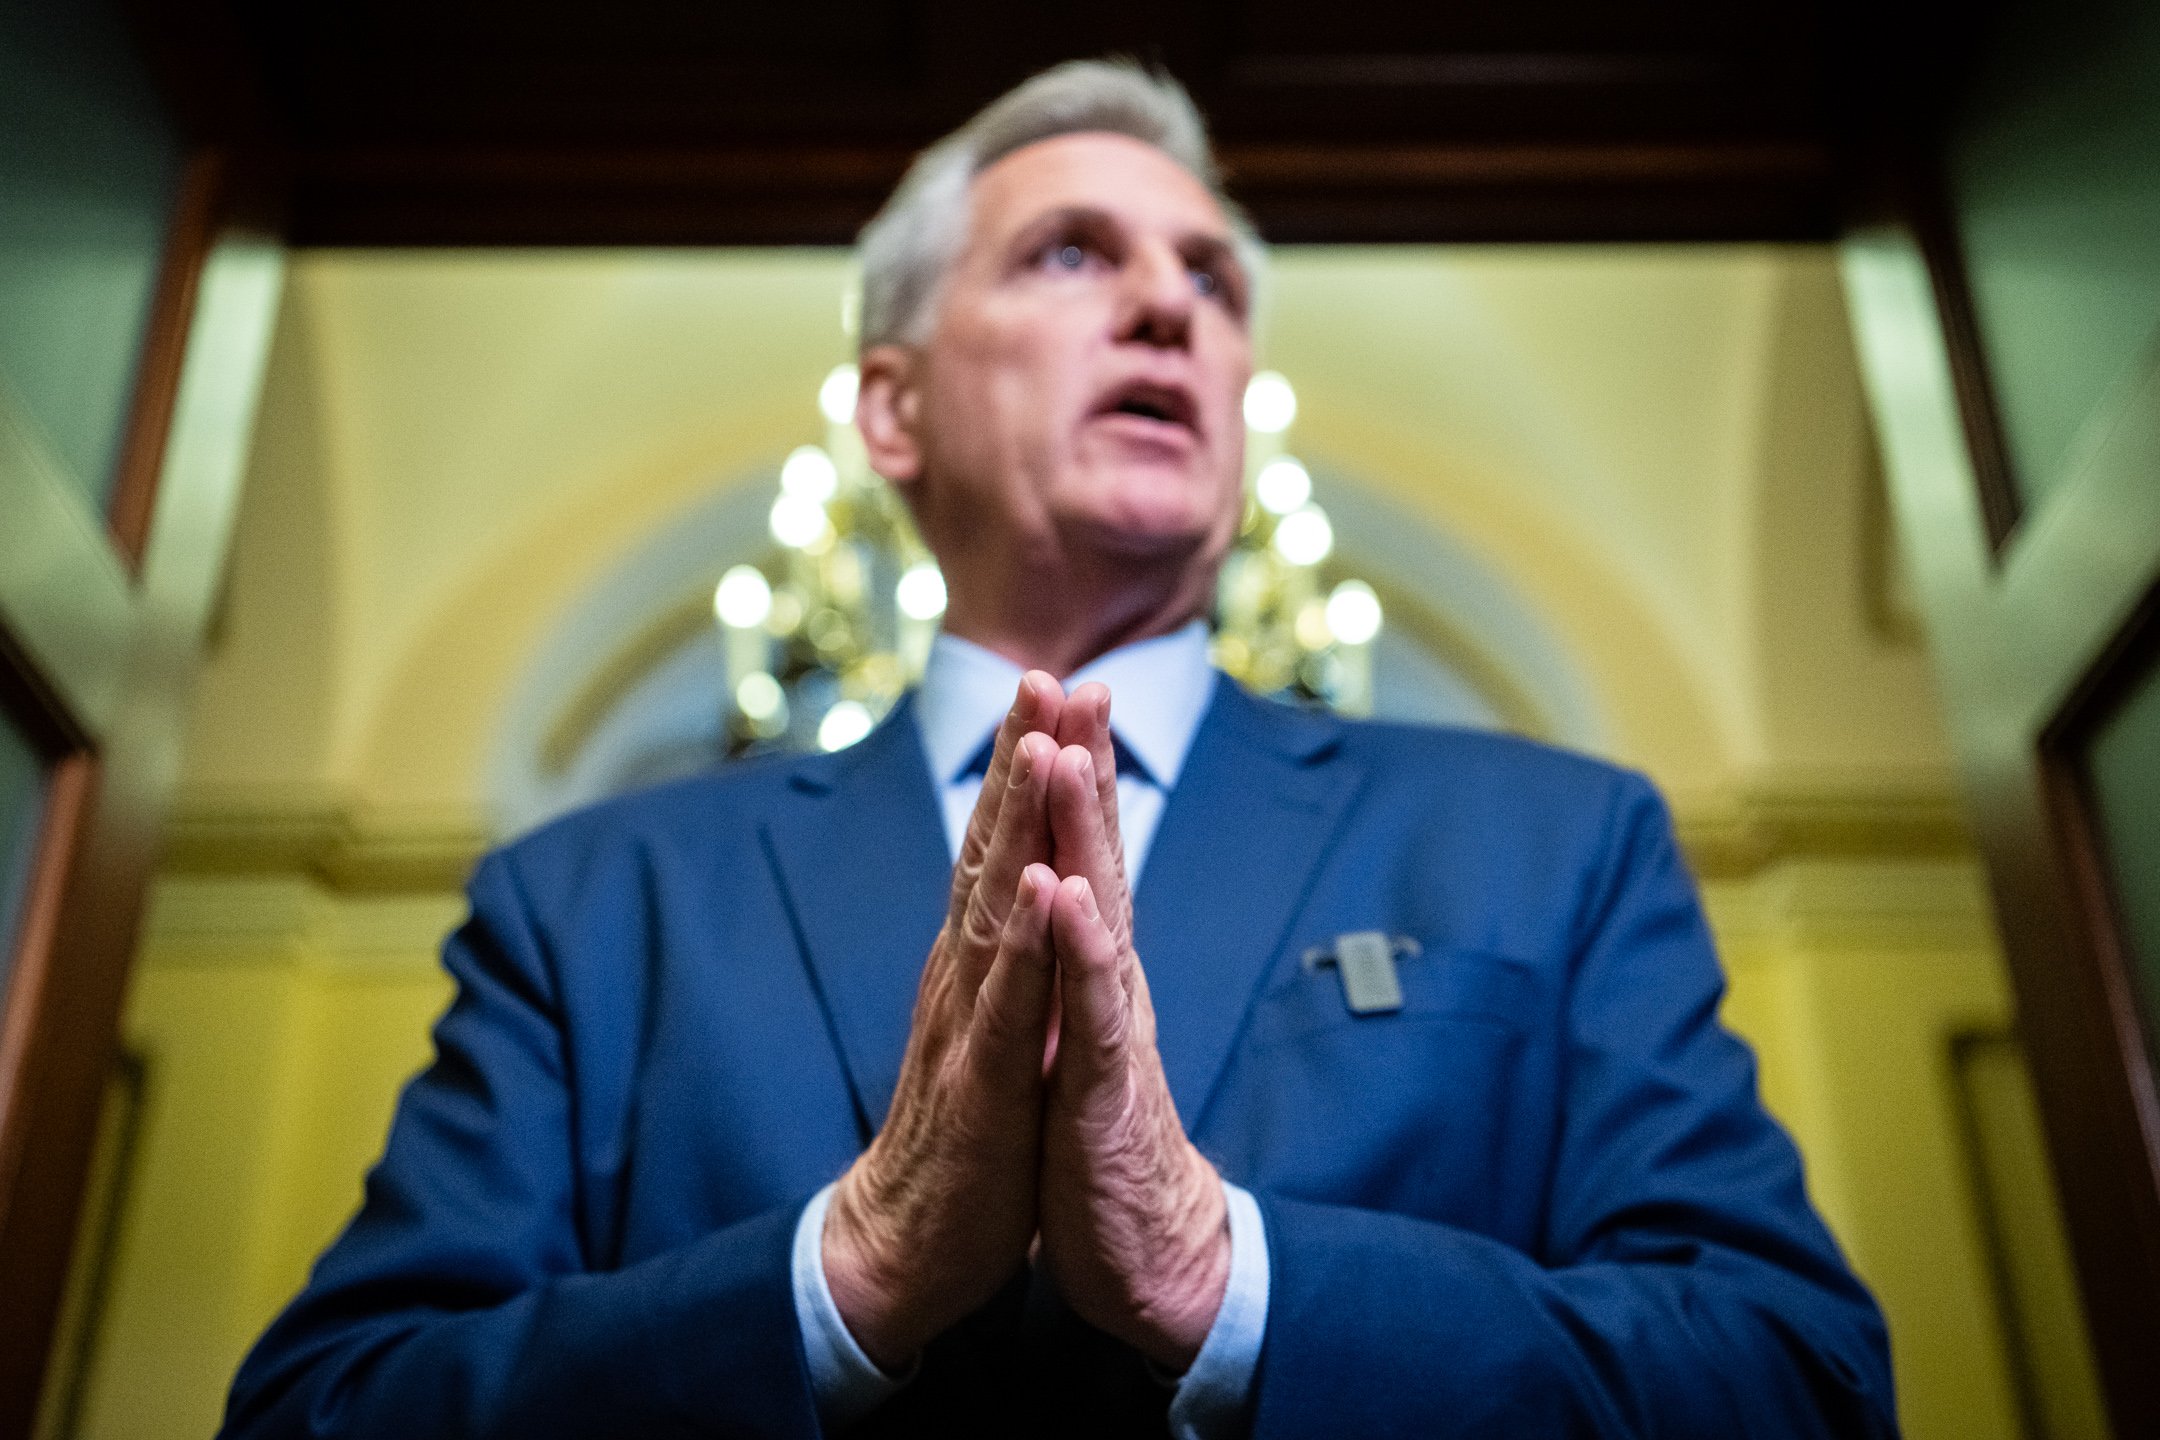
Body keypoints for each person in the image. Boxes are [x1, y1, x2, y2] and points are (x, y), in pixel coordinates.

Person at [220, 61, 1898, 1439]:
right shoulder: (590, 905)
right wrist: (844, 1274)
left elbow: (1799, 1384)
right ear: (891, 408)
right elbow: (323, 1411)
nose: (1172, 305)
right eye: (1073, 257)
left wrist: (1224, 1277)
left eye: (1214, 280)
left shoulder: (1558, 843)